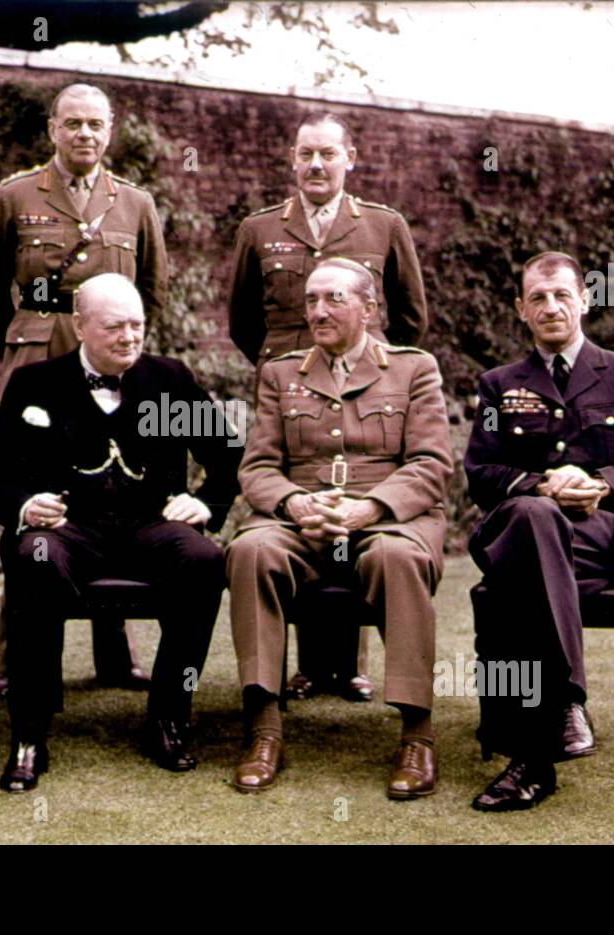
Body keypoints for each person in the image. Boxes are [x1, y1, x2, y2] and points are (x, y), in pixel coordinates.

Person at [0, 273, 241, 793]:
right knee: (34, 558)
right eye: (115, 326)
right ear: (79, 325)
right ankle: (29, 733)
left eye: (137, 325)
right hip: (69, 531)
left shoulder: (169, 381)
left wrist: (205, 503)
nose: (129, 337)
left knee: (205, 560)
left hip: (151, 528)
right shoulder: (36, 384)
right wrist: (27, 505)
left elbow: (227, 457)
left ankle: (168, 716)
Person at [464, 251, 614, 811]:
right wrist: (544, 485)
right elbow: (481, 475)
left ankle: (530, 755)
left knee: (520, 566)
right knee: (533, 521)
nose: (551, 306)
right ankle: (563, 705)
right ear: (520, 309)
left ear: (584, 300)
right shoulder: (498, 385)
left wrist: (602, 483)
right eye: (537, 297)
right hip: (533, 528)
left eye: (562, 294)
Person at [0, 82, 169, 697]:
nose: (84, 134)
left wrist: (116, 347)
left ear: (111, 131)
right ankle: (15, 660)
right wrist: (26, 339)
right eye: (72, 123)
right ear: (52, 129)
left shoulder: (134, 204)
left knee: (113, 487)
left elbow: (153, 291)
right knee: (33, 497)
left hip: (109, 357)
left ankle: (114, 652)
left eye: (95, 125)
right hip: (38, 350)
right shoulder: (15, 195)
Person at [225, 258, 452, 799]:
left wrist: (368, 509)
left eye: (333, 299)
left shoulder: (413, 369)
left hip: (387, 520)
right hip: (302, 520)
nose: (318, 311)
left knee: (396, 560)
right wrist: (297, 503)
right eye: (310, 300)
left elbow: (432, 465)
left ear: (369, 309)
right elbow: (256, 468)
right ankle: (264, 730)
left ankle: (416, 735)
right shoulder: (281, 373)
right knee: (250, 550)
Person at [228, 111, 430, 703]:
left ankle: (347, 668)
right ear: (293, 161)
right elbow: (243, 319)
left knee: (354, 498)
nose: (316, 166)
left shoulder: (383, 226)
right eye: (305, 155)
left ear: (350, 159)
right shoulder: (260, 229)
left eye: (328, 155)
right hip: (289, 396)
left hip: (367, 389)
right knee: (297, 513)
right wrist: (284, 368)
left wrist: (377, 369)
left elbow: (412, 316)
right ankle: (303, 670)